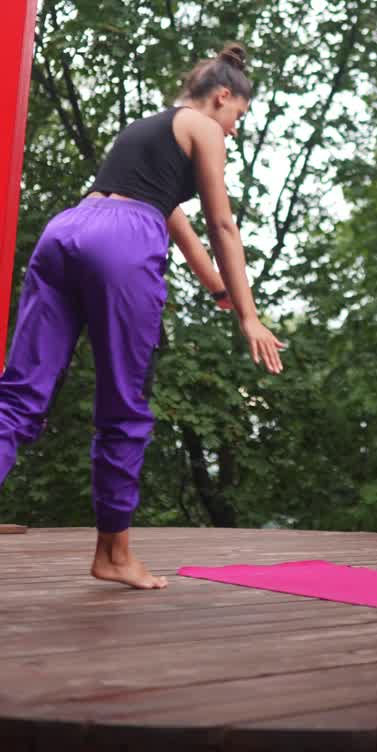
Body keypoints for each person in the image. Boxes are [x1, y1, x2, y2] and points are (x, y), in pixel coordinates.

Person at [0, 42, 284, 590]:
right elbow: (223, 226)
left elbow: (178, 223)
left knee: (18, 395)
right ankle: (113, 554)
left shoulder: (147, 130)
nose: (234, 133)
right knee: (124, 407)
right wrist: (248, 316)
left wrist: (218, 287)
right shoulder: (201, 129)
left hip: (66, 231)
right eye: (237, 119)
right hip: (122, 243)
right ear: (222, 97)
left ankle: (111, 550)